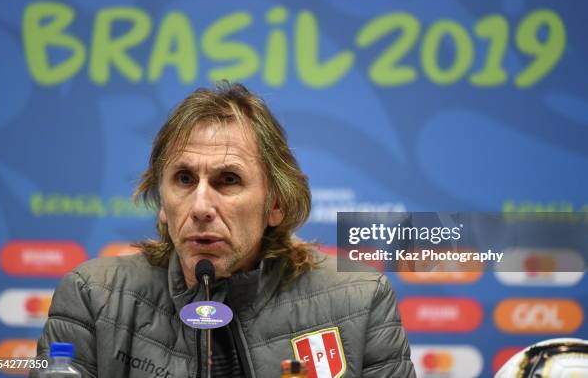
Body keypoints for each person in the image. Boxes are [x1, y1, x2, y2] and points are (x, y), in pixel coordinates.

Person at [32, 82, 416, 378]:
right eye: (183, 178)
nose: (200, 207)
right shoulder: (93, 298)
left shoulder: (360, 302)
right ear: (162, 201)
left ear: (276, 204)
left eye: (228, 180)